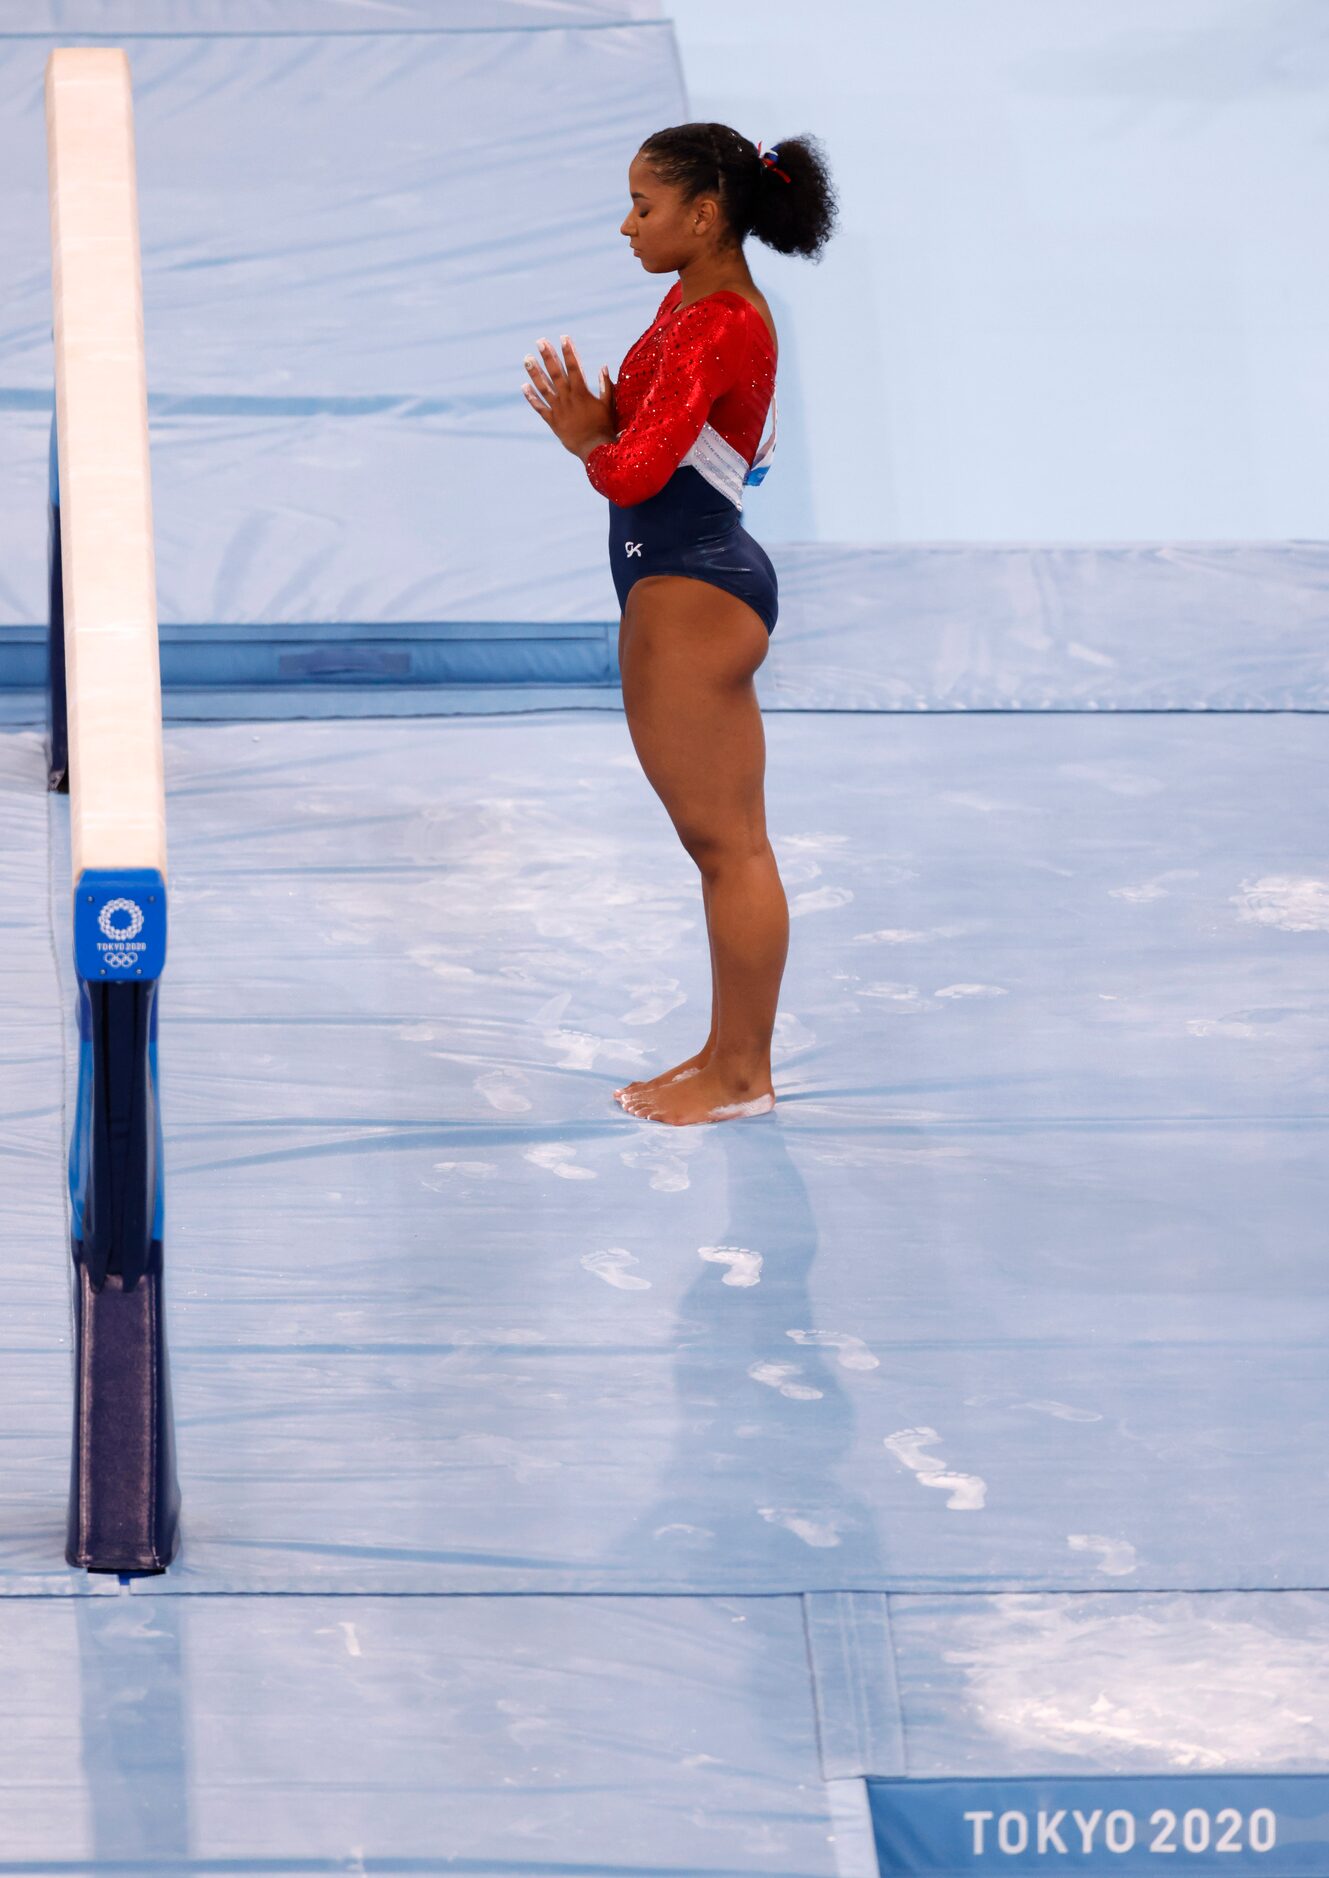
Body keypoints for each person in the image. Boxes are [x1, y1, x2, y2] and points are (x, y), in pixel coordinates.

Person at [522, 123, 838, 1125]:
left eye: (643, 206)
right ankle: (723, 1054)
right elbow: (658, 427)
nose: (627, 225)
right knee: (721, 849)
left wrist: (587, 438)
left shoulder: (721, 321)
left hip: (693, 592)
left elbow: (634, 470)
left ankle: (742, 1076)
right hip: (680, 579)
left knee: (730, 850)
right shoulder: (693, 300)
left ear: (703, 215)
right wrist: (611, 416)